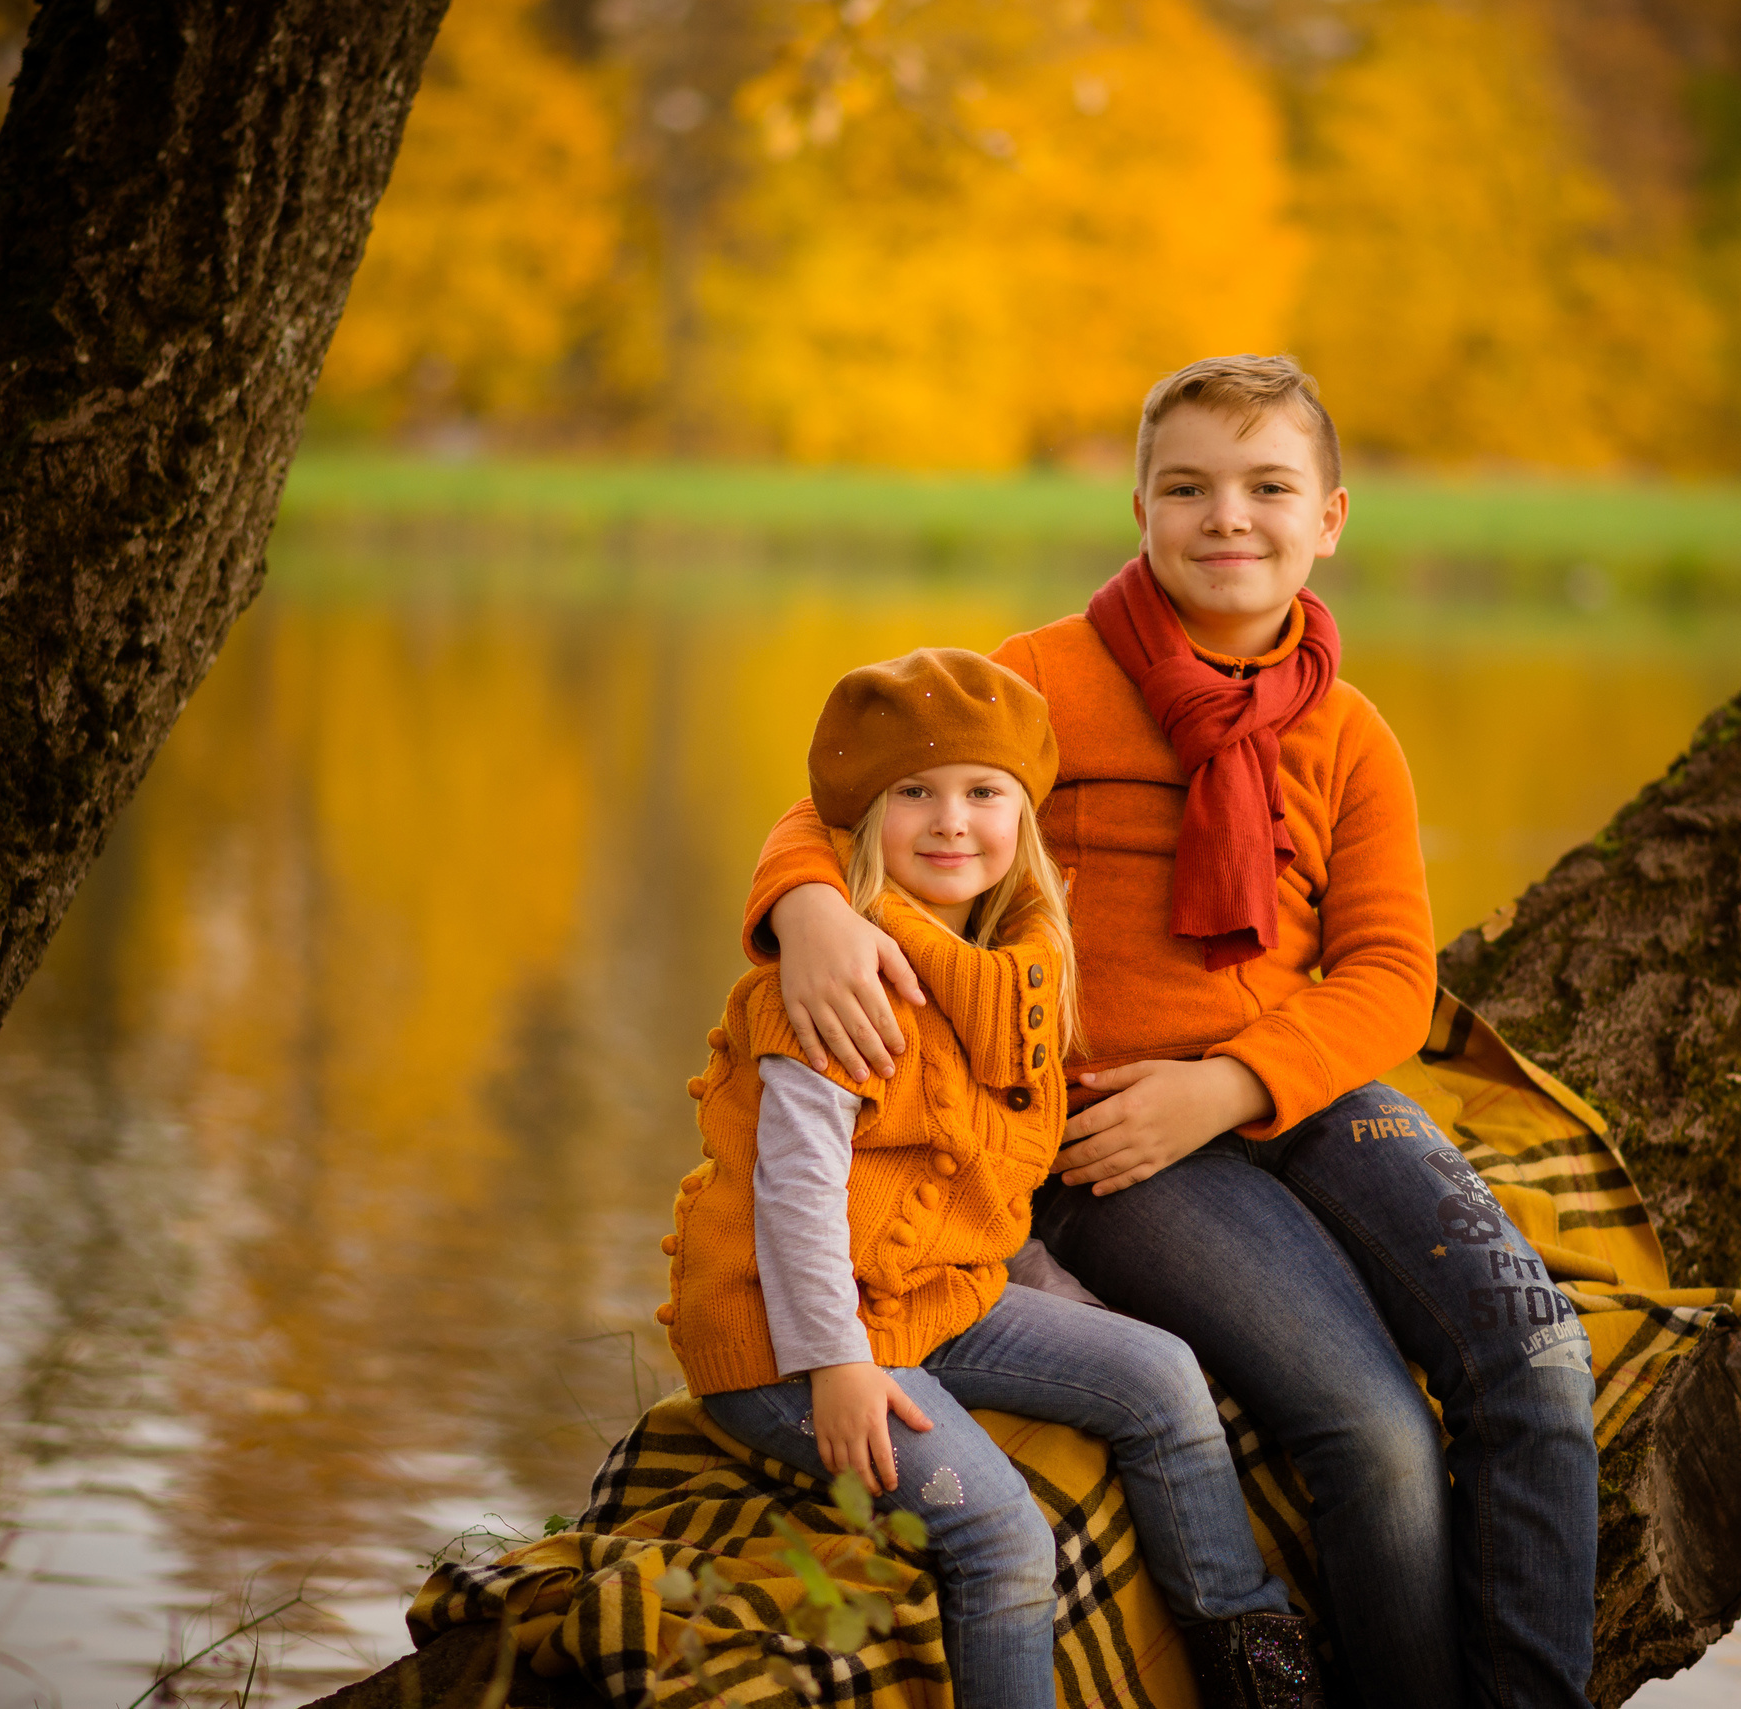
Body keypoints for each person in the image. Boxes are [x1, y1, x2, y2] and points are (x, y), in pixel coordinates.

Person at [744, 359, 1600, 1709]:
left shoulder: (1351, 733)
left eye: (1269, 487)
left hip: (1291, 1086)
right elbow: (842, 794)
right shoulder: (1043, 684)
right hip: (1112, 1131)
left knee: (1538, 1357)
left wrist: (1233, 1082)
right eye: (1189, 487)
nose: (1228, 518)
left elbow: (1386, 976)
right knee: (1370, 1426)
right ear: (1140, 505)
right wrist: (809, 910)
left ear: (1330, 518)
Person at [660, 647, 1323, 1709]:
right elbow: (791, 1197)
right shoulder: (838, 983)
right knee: (1002, 1537)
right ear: (863, 823)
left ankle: (1253, 1665)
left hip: (939, 1300)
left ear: (1025, 818)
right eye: (912, 794)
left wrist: (1076, 1328)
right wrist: (835, 1364)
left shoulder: (1015, 974)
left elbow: (988, 1194)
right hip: (787, 1342)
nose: (950, 819)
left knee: (1161, 1376)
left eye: (982, 793)